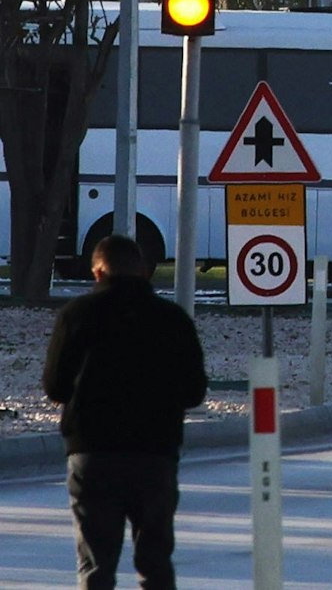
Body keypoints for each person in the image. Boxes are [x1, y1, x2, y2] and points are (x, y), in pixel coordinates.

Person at [42, 234, 207, 590]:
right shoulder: (173, 320)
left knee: (96, 566)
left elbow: (55, 386)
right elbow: (194, 392)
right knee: (155, 564)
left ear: (97, 272)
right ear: (145, 272)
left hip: (92, 454)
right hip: (155, 455)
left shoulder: (77, 315)